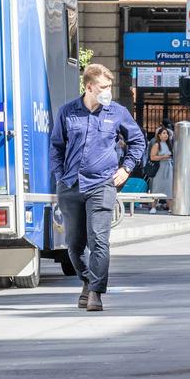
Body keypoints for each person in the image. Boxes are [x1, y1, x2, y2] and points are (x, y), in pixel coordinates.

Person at [50, 64, 145, 312]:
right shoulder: (67, 112)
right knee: (74, 244)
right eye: (103, 87)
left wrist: (126, 169)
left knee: (99, 240)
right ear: (89, 86)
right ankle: (87, 281)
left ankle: (95, 293)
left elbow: (137, 141)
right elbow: (56, 147)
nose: (108, 91)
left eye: (109, 86)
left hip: (102, 184)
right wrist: (60, 176)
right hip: (70, 185)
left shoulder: (117, 112)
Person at [149, 128, 173, 213]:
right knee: (157, 187)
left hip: (168, 168)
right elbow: (152, 157)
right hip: (159, 168)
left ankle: (170, 207)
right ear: (159, 135)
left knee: (169, 187)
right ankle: (153, 207)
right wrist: (163, 157)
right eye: (163, 133)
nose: (166, 135)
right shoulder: (156, 145)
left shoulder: (169, 145)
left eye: (167, 133)